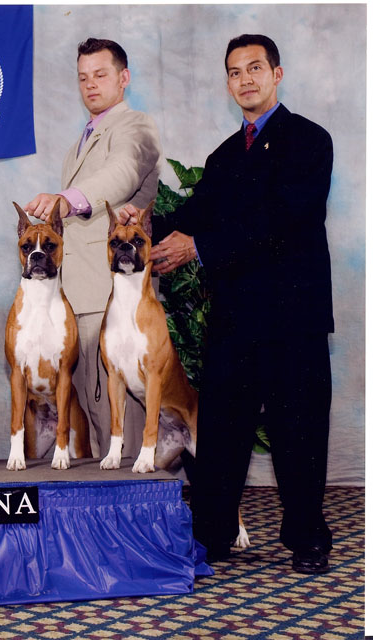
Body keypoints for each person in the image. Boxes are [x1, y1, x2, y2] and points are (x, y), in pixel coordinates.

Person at [124, 34, 334, 574]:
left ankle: (309, 540)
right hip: (236, 318)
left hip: (293, 318)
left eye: (255, 68)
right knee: (220, 433)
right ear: (227, 83)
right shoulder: (223, 155)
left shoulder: (310, 141)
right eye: (235, 72)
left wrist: (200, 247)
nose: (245, 79)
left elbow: (283, 221)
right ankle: (212, 536)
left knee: (299, 434)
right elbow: (195, 216)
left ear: (277, 74)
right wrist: (147, 223)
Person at [24, 38, 163, 458]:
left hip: (114, 293)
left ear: (124, 79)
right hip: (80, 294)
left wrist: (69, 199)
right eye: (83, 78)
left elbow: (120, 175)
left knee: (119, 414)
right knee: (97, 409)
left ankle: (139, 511)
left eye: (101, 75)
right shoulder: (79, 144)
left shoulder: (134, 127)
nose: (90, 85)